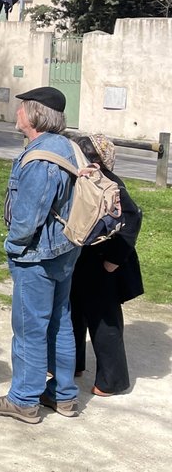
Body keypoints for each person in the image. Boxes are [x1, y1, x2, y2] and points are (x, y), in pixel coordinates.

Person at [0, 87, 82, 423]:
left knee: (29, 328)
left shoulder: (40, 158)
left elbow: (28, 217)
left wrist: (13, 246)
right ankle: (63, 396)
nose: (18, 113)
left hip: (37, 255)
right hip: (65, 250)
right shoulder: (68, 147)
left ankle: (24, 399)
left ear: (36, 114)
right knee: (60, 322)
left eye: (22, 108)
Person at [69, 134, 144, 398]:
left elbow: (132, 220)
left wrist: (113, 259)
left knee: (104, 321)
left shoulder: (112, 185)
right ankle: (73, 364)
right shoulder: (83, 179)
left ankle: (111, 380)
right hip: (81, 259)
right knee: (73, 313)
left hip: (104, 263)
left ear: (96, 161)